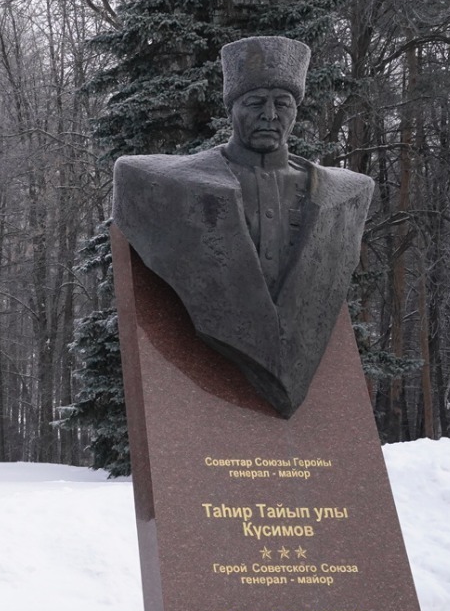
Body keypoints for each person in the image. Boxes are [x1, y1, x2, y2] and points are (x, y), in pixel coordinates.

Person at [112, 36, 373, 417]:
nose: (270, 115)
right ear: (232, 108)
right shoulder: (174, 186)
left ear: (296, 112)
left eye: (283, 104)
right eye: (255, 103)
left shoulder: (344, 194)